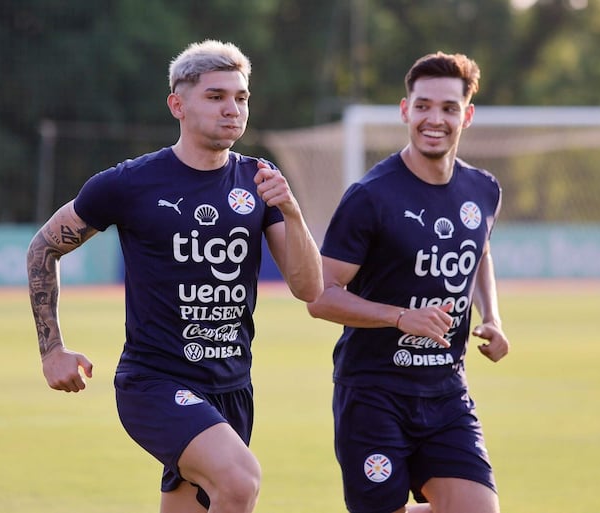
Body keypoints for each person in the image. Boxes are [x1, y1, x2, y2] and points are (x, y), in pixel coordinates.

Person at [26, 40, 322, 513]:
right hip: (155, 384)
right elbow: (44, 247)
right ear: (177, 104)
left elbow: (310, 288)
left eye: (241, 98)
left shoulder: (259, 181)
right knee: (241, 480)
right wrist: (52, 349)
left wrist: (290, 208)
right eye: (216, 96)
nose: (232, 109)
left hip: (231, 389)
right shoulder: (129, 183)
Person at [307, 51, 510, 513]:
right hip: (374, 393)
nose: (433, 119)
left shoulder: (484, 189)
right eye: (422, 106)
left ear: (467, 115)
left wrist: (492, 317)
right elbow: (321, 296)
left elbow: (479, 252)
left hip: (446, 392)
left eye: (447, 108)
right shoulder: (369, 197)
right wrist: (401, 317)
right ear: (405, 110)